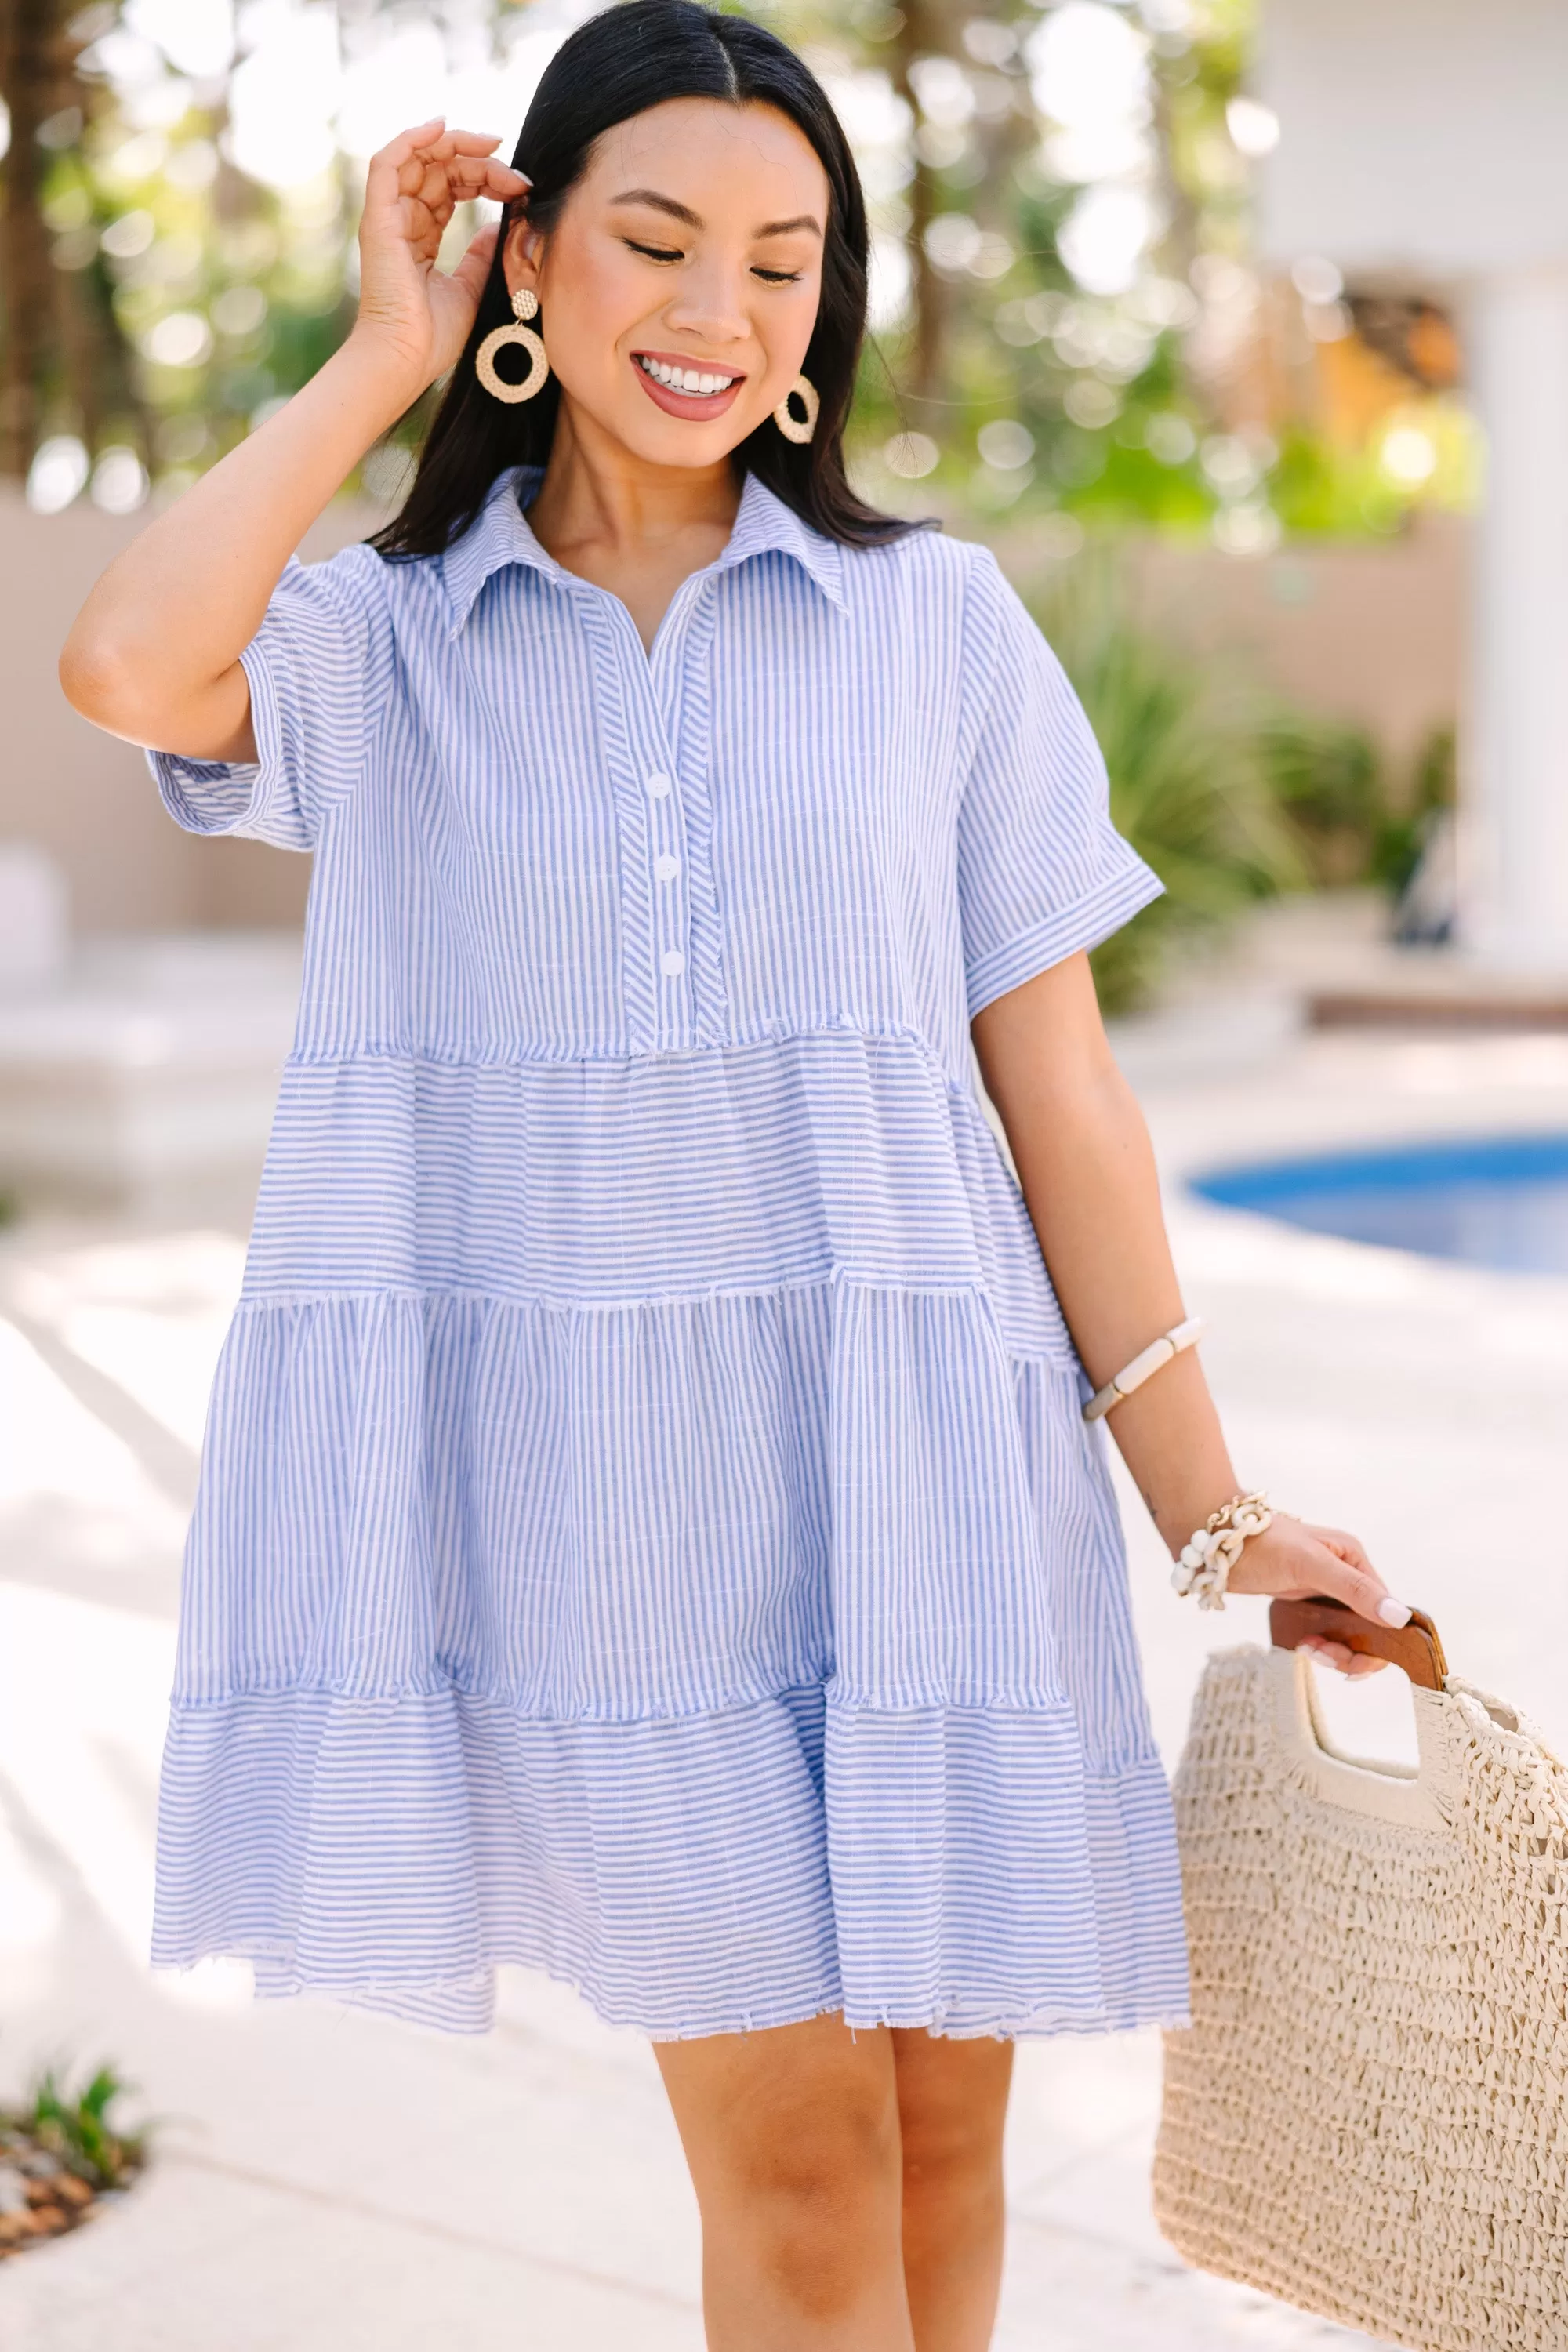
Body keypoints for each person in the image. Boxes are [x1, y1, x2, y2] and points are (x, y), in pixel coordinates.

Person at [60, 6, 1408, 2344]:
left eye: (783, 263)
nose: (717, 315)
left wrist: (1206, 1510)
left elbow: (1061, 1098)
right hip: (619, 1535)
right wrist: (380, 350)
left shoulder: (933, 628)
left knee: (942, 2142)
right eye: (658, 243)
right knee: (792, 2176)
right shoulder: (387, 647)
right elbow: (122, 664)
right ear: (529, 261)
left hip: (939, 1477)